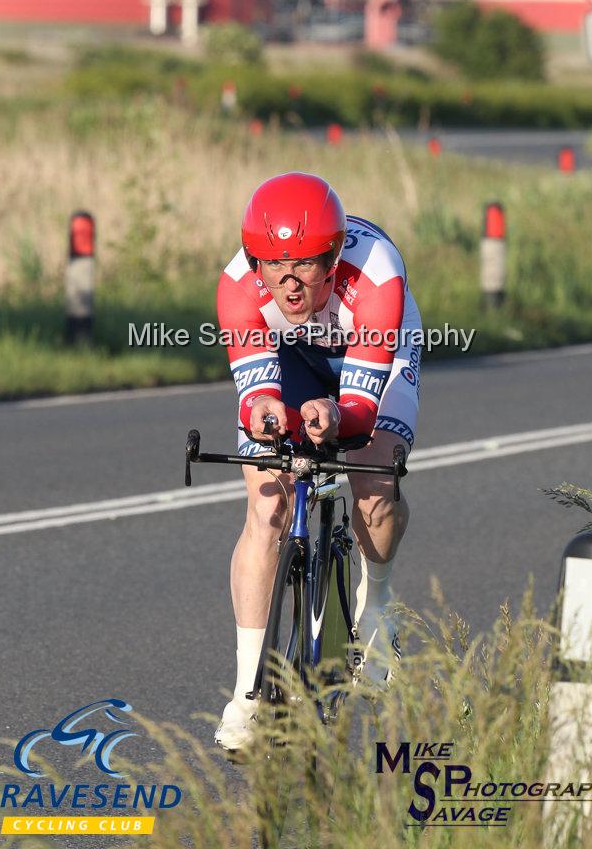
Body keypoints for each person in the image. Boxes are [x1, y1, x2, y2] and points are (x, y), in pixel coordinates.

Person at [214, 172, 421, 751]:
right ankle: (248, 693)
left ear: (331, 257)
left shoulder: (376, 270)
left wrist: (338, 417)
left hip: (373, 347)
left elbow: (357, 410)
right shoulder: (237, 284)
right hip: (291, 357)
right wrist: (263, 412)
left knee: (374, 476)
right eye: (272, 265)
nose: (288, 279)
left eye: (305, 264)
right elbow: (256, 393)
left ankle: (375, 604)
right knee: (265, 501)